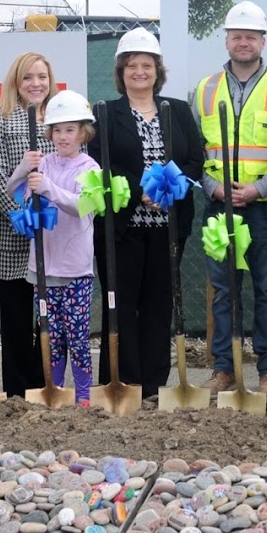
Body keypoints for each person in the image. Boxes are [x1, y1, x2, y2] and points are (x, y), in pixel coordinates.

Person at [94, 27, 203, 393]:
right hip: (123, 227)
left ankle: (154, 386)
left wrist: (170, 190)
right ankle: (123, 380)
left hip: (168, 225)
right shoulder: (105, 113)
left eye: (147, 65)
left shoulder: (179, 110)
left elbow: (193, 159)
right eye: (131, 66)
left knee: (159, 305)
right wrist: (140, 190)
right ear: (121, 72)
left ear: (158, 70)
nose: (139, 72)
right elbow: (99, 163)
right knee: (121, 304)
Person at [192, 1, 267, 398]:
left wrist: (261, 188)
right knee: (224, 291)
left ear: (263, 40)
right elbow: (192, 151)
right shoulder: (205, 88)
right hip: (219, 206)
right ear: (227, 40)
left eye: (251, 35)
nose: (243, 42)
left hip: (265, 208)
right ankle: (223, 369)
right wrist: (212, 188)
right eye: (237, 35)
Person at [5, 90, 100, 406]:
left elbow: (82, 206)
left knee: (77, 337)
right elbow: (11, 189)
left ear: (82, 132)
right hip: (43, 268)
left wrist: (48, 188)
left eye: (70, 129)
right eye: (57, 130)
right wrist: (23, 167)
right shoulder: (42, 162)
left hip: (75, 271)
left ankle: (84, 395)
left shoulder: (90, 167)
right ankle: (55, 388)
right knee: (51, 336)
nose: (62, 136)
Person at [0, 51, 56, 397]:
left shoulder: (59, 116)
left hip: (54, 232)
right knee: (16, 315)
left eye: (42, 76)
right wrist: (20, 214)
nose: (36, 84)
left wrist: (51, 213)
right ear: (16, 81)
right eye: (28, 77)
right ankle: (17, 389)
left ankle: (46, 383)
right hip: (13, 232)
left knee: (49, 314)